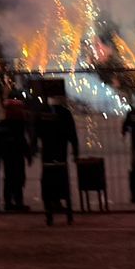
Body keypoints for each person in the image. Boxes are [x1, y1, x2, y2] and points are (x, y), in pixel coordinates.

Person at [35, 94, 79, 225]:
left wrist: (33, 146)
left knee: (47, 183)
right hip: (61, 153)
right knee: (62, 182)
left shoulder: (43, 113)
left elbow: (36, 131)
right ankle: (68, 214)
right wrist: (76, 151)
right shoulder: (65, 113)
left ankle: (49, 213)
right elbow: (72, 134)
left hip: (47, 154)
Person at [1, 90, 33, 211]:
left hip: (8, 154)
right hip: (17, 154)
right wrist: (28, 154)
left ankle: (9, 202)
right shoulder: (19, 125)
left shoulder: (4, 125)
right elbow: (22, 140)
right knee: (18, 177)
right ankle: (17, 202)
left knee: (9, 177)